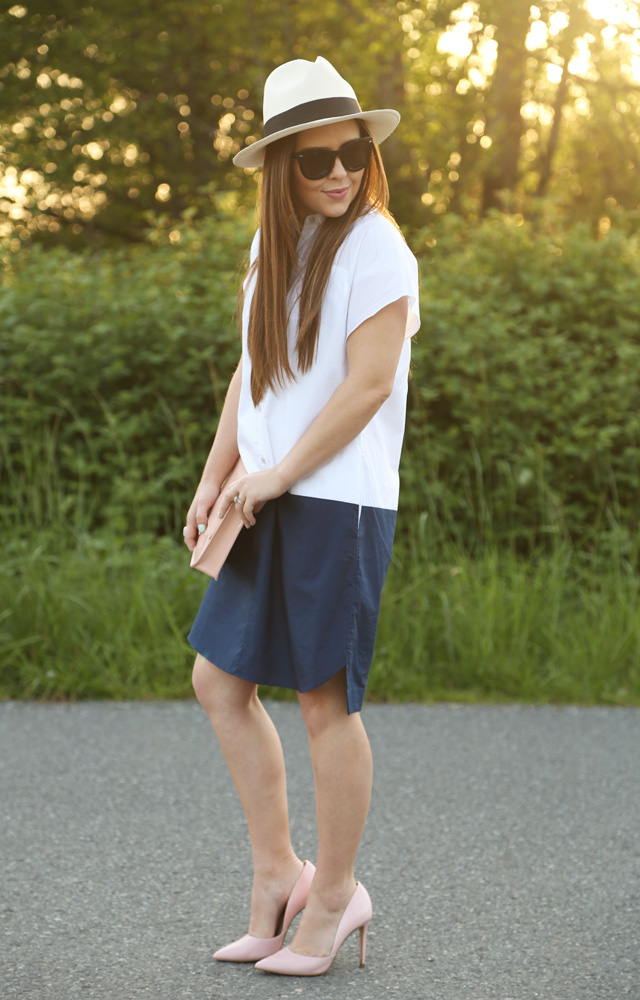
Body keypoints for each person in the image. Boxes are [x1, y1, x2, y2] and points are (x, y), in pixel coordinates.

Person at [182, 56, 419, 977]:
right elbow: (256, 370)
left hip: (333, 500)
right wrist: (219, 474)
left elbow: (367, 388)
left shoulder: (377, 248)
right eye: (316, 160)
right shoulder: (273, 249)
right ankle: (278, 874)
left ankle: (334, 898)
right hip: (263, 489)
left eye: (351, 153)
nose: (337, 173)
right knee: (218, 681)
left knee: (325, 702)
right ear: (282, 167)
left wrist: (275, 474)